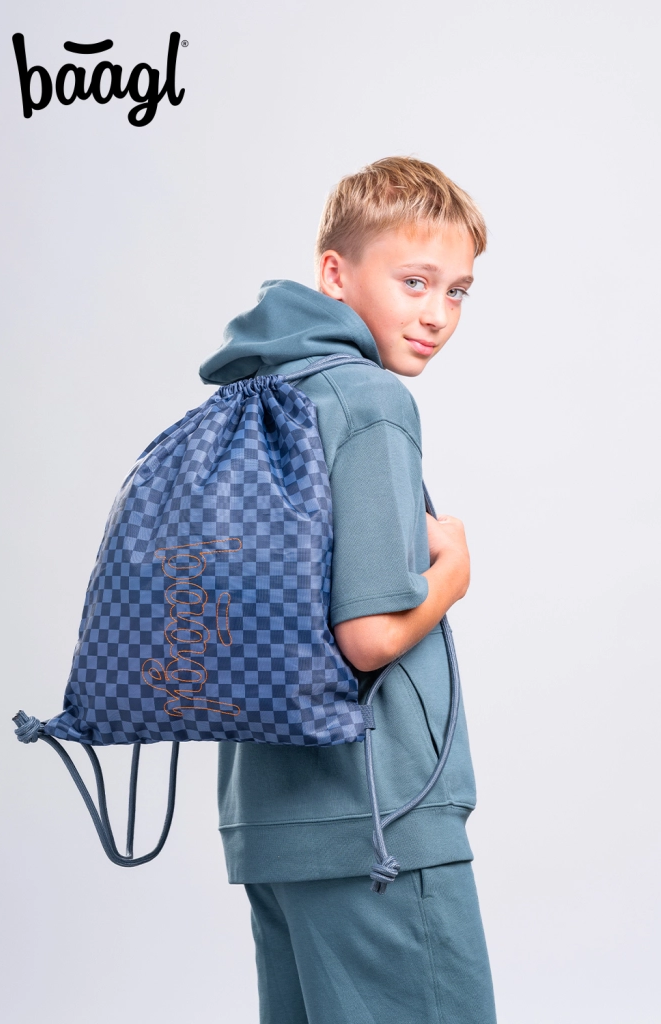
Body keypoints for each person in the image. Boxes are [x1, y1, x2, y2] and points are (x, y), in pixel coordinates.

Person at [199, 156, 496, 1024]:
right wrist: (452, 577)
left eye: (457, 292)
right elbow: (367, 636)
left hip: (271, 823)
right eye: (414, 281)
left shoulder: (255, 396)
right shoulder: (367, 400)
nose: (437, 314)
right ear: (335, 273)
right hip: (379, 821)